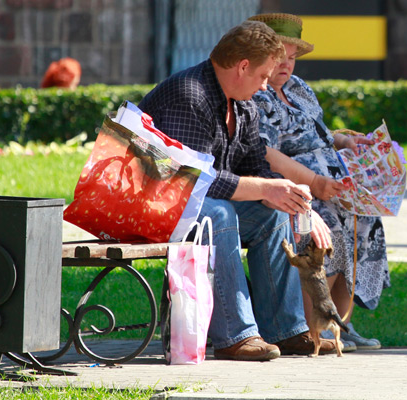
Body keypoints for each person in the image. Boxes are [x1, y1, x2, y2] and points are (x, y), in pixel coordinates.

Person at [137, 20, 339, 361]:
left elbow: (255, 166)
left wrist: (290, 201)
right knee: (219, 214)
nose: (265, 86)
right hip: (152, 206)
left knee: (272, 215)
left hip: (193, 205)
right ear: (243, 66)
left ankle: (286, 329)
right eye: (263, 76)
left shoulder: (243, 104)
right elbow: (192, 180)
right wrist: (264, 187)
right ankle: (235, 335)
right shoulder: (190, 94)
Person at [249, 13, 389, 351]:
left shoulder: (299, 88)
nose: (286, 64)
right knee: (329, 227)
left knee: (365, 219)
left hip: (331, 183)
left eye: (292, 57)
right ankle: (312, 326)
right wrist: (315, 182)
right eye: (279, 56)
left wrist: (345, 141)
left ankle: (341, 323)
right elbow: (264, 152)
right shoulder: (257, 92)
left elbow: (319, 134)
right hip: (290, 186)